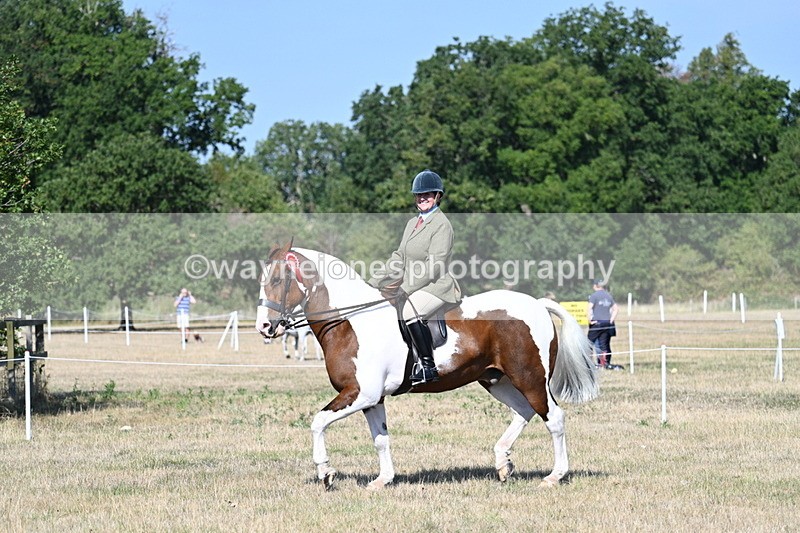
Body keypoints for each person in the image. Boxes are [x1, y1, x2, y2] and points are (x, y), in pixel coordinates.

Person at [368, 169, 462, 385]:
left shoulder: (442, 225)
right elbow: (399, 257)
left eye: (427, 194)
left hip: (436, 286)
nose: (422, 198)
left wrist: (406, 287)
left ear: (438, 196)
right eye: (419, 195)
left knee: (410, 310)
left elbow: (434, 265)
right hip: (415, 285)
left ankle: (428, 366)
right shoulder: (412, 223)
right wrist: (373, 282)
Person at [587, 279, 618, 368]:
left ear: (596, 286)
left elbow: (589, 308)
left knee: (588, 343)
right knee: (604, 345)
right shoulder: (608, 295)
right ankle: (604, 363)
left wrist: (590, 320)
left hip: (597, 324)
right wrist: (611, 320)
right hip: (607, 323)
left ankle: (588, 363)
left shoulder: (594, 296)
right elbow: (616, 308)